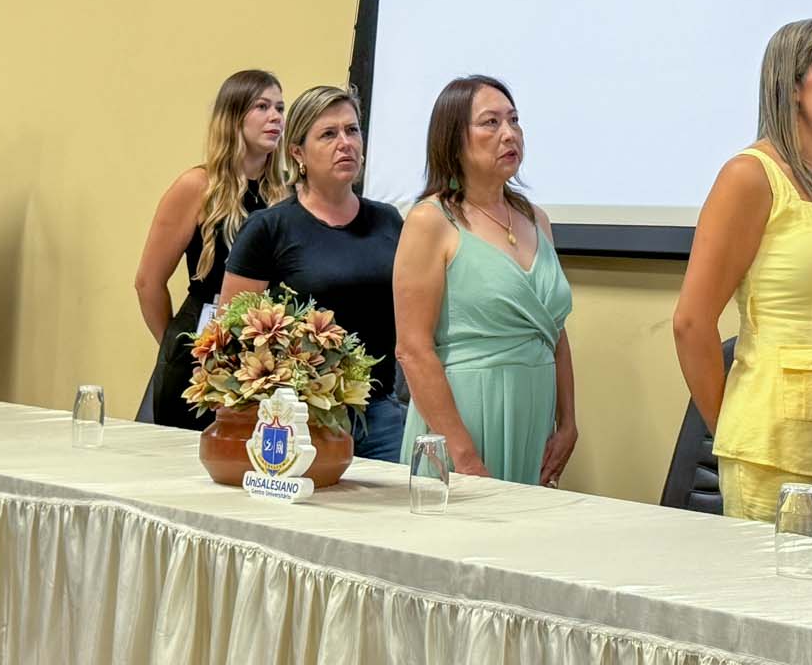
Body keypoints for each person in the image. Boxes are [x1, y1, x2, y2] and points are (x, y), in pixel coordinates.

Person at [673, 19, 812, 530]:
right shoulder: (751, 176)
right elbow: (691, 323)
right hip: (776, 447)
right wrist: (734, 430)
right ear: (791, 86)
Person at [394, 76, 576, 486]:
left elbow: (554, 330)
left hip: (533, 416)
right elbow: (413, 349)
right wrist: (464, 457)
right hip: (463, 420)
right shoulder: (430, 221)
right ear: (453, 139)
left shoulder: (536, 218)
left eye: (514, 120)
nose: (509, 134)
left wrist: (568, 423)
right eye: (490, 123)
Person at [220, 85, 405, 462]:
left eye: (352, 130)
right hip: (301, 416)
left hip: (380, 414)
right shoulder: (269, 228)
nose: (345, 143)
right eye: (328, 134)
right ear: (298, 153)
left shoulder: (388, 221)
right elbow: (232, 333)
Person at [133, 70, 286, 428]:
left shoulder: (287, 194)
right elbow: (147, 282)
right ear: (233, 117)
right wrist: (175, 346)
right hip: (201, 341)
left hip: (266, 354)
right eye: (262, 107)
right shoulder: (197, 185)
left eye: (280, 108)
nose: (275, 117)